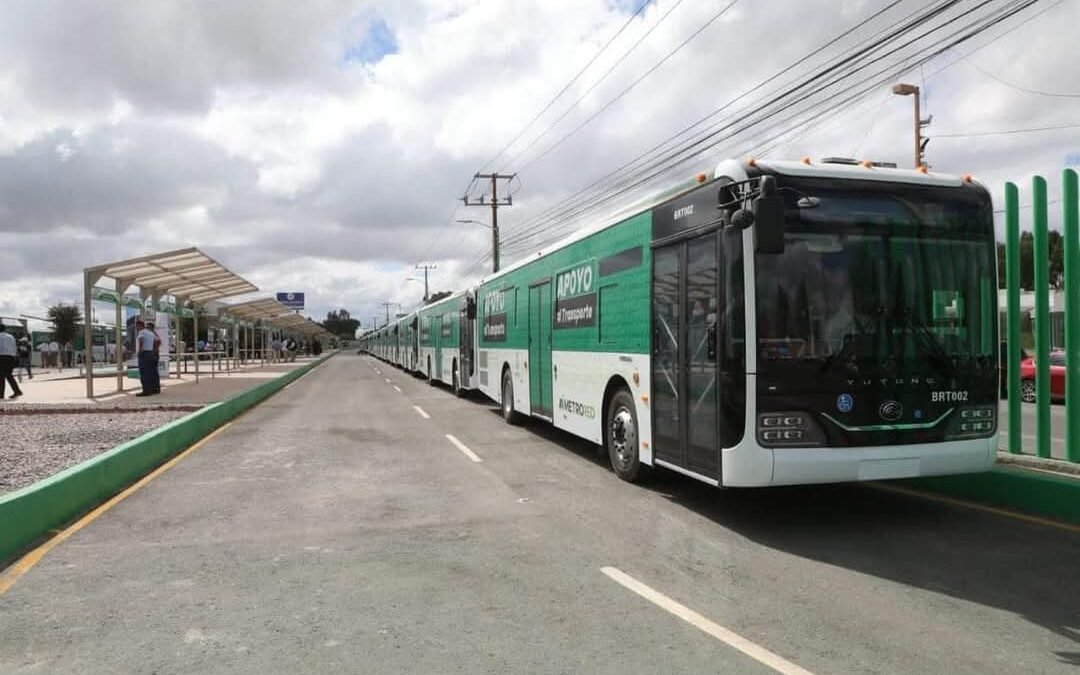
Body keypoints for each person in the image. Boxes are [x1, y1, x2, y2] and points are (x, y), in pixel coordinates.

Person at [135, 319, 161, 397]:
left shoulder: (141, 332)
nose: (136, 328)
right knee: (153, 372)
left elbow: (141, 341)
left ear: (140, 326)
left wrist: (140, 350)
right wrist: (154, 350)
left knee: (144, 373)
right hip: (151, 354)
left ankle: (146, 391)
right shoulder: (151, 333)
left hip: (144, 354)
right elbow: (158, 341)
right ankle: (155, 389)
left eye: (137, 327)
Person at [0, 323, 23, 399]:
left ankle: (1, 394)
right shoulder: (11, 336)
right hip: (11, 357)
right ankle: (16, 391)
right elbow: (14, 347)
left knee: (2, 376)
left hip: (2, 357)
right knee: (8, 375)